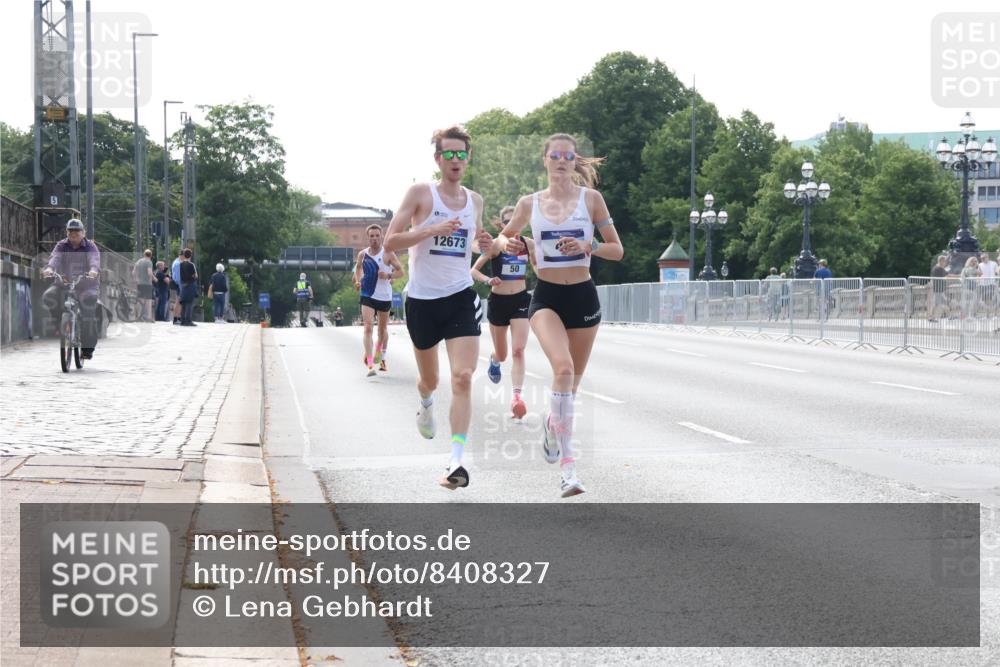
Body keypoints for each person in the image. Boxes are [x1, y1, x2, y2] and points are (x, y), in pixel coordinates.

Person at [498, 133, 623, 498]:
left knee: (571, 386)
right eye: (556, 155)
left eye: (569, 156)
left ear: (574, 161)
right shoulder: (529, 203)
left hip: (583, 296)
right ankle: (569, 470)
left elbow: (617, 250)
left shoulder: (591, 200)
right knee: (563, 369)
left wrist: (590, 245)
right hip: (547, 297)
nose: (563, 161)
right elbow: (502, 240)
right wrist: (516, 242)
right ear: (546, 161)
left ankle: (553, 425)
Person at [383, 125, 493, 491]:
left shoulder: (474, 201)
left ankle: (456, 463)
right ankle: (426, 401)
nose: (456, 160)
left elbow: (473, 243)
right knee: (430, 380)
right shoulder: (420, 194)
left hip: (460, 296)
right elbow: (390, 243)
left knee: (462, 377)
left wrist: (485, 243)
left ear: (468, 158)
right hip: (422, 302)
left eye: (462, 154)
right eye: (449, 154)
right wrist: (429, 230)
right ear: (437, 159)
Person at [471, 205, 536, 419]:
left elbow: (539, 268)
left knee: (518, 350)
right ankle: (494, 360)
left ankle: (517, 397)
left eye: (514, 220)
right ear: (502, 224)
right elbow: (473, 270)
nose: (510, 224)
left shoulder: (529, 245)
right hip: (498, 301)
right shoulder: (497, 244)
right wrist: (489, 280)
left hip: (520, 300)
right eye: (506, 221)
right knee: (503, 353)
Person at [42, 218, 101, 359]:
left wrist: (93, 270)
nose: (73, 234)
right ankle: (59, 324)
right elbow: (55, 258)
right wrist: (50, 268)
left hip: (86, 286)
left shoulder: (90, 247)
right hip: (64, 283)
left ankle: (87, 350)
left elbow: (94, 260)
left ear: (83, 232)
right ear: (67, 232)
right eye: (70, 231)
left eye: (77, 231)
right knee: (48, 296)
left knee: (88, 316)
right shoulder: (62, 245)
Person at [354, 224, 403, 375]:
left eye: (377, 236)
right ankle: (370, 364)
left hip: (384, 296)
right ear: (367, 237)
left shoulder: (388, 253)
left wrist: (388, 276)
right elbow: (357, 268)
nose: (374, 239)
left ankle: (380, 353)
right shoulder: (362, 254)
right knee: (368, 327)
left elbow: (401, 272)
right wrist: (357, 280)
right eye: (371, 236)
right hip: (367, 294)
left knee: (382, 330)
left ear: (381, 236)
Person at [178, 248, 198, 326]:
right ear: (190, 255)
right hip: (190, 285)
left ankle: (182, 320)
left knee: (183, 303)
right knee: (189, 303)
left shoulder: (181, 264)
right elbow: (195, 276)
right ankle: (188, 320)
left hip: (183, 284)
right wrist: (194, 277)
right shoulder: (191, 264)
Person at [134, 249, 155, 322]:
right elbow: (149, 273)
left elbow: (133, 272)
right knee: (148, 301)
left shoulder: (139, 261)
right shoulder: (149, 262)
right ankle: (147, 317)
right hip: (147, 284)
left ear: (144, 254)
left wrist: (136, 279)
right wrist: (154, 279)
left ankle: (138, 316)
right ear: (151, 255)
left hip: (139, 283)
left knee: (140, 300)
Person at [928, 255, 949, 322]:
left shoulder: (937, 268)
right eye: (944, 261)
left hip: (939, 289)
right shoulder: (938, 268)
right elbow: (948, 275)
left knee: (945, 302)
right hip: (938, 289)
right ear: (941, 261)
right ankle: (931, 317)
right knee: (936, 304)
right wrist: (959, 276)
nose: (945, 262)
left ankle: (949, 316)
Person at [171, 249, 184, 325]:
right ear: (182, 256)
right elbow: (178, 277)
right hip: (179, 284)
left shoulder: (175, 262)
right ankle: (176, 318)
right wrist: (181, 286)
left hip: (177, 284)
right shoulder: (178, 264)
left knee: (178, 302)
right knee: (178, 302)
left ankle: (177, 317)